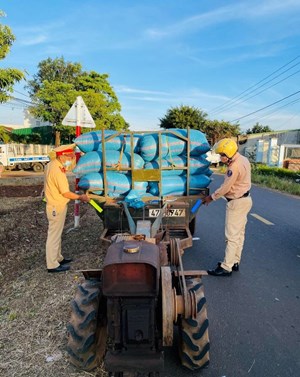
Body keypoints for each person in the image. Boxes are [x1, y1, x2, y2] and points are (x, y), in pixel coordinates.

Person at [203, 138, 252, 277]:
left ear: (228, 154)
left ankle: (226, 267)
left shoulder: (234, 167)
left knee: (231, 237)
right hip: (246, 200)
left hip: (236, 203)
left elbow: (225, 188)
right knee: (239, 234)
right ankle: (235, 261)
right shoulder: (244, 159)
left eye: (221, 155)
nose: (220, 157)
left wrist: (211, 197)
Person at [44, 144, 89, 273]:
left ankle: (58, 258)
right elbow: (66, 193)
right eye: (70, 156)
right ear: (62, 155)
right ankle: (52, 265)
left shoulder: (52, 164)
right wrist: (81, 197)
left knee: (57, 234)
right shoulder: (56, 170)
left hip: (56, 205)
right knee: (53, 235)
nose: (71, 159)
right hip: (55, 206)